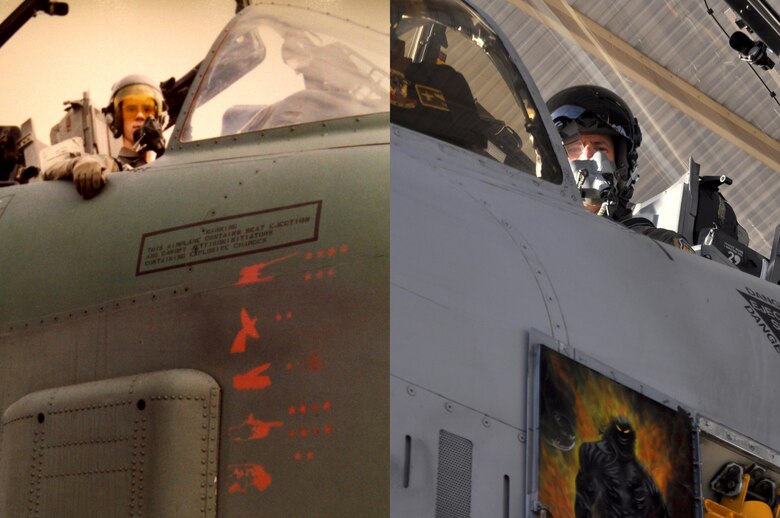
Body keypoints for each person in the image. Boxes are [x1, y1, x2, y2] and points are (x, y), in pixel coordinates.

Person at [547, 85, 694, 253]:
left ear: (622, 165)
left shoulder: (659, 247)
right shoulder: (532, 227)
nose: (588, 156)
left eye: (600, 148)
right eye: (574, 148)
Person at [42, 74, 167, 199]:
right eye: (131, 109)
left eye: (147, 109)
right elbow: (51, 166)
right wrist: (79, 162)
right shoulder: (111, 166)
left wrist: (163, 154)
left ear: (160, 118)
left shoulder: (169, 169)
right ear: (116, 119)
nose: (140, 115)